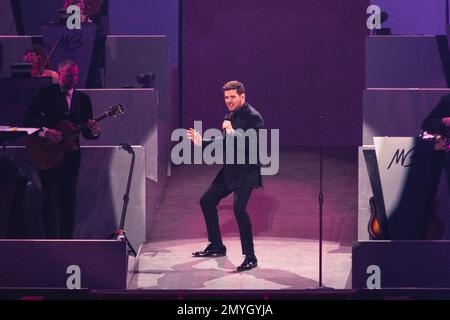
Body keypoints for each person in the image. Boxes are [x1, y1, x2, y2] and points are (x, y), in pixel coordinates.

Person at [187, 81, 264, 272]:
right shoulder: (230, 115)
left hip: (247, 172)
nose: (228, 101)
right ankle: (217, 245)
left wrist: (231, 131)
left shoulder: (254, 118)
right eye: (226, 97)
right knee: (206, 201)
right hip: (230, 170)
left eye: (232, 97)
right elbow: (225, 142)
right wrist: (202, 143)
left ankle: (250, 256)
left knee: (239, 209)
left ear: (242, 97)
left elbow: (251, 145)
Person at [24, 60, 100, 239]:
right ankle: (50, 242)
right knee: (49, 201)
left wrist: (95, 131)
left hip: (71, 159)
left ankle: (67, 243)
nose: (73, 78)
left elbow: (87, 134)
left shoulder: (83, 100)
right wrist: (45, 132)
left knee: (68, 202)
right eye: (68, 74)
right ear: (59, 74)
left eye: (75, 74)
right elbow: (28, 121)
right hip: (47, 154)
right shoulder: (46, 94)